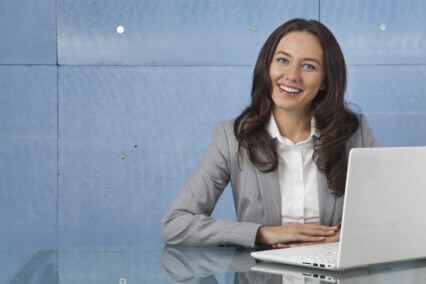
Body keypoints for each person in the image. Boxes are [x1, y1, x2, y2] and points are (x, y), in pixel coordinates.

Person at [161, 19, 377, 248]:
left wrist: (346, 236)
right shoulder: (232, 138)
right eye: (283, 60)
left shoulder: (354, 133)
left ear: (325, 81)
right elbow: (175, 225)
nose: (292, 75)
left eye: (309, 66)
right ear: (267, 67)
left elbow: (390, 216)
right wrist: (263, 234)